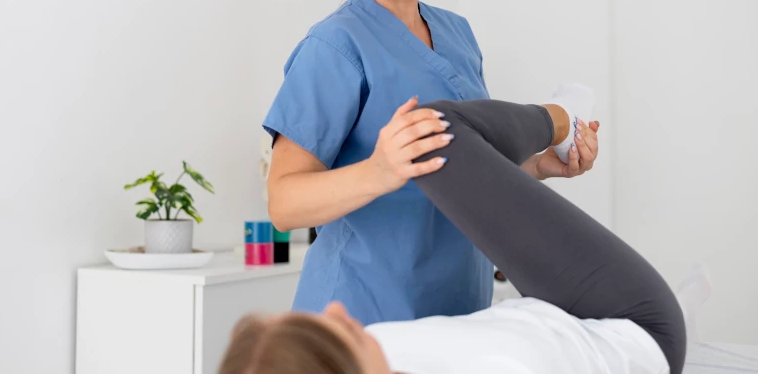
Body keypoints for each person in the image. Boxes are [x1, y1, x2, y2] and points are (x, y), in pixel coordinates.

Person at [261, 0, 601, 327]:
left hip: (458, 313)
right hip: (361, 318)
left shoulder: (458, 34)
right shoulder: (336, 45)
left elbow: (464, 173)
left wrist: (539, 168)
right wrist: (381, 170)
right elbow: (283, 203)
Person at [221, 89, 697, 374]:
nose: (341, 312)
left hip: (547, 308)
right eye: (338, 333)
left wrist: (529, 173)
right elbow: (283, 205)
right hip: (634, 325)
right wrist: (380, 171)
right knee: (431, 130)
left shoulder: (374, 356)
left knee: (424, 138)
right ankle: (562, 117)